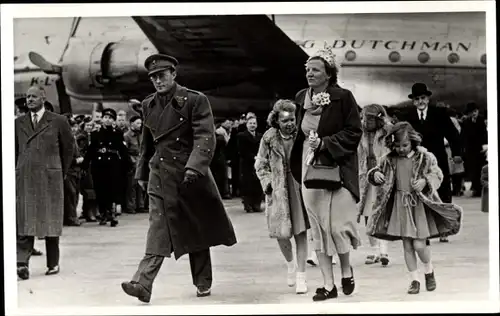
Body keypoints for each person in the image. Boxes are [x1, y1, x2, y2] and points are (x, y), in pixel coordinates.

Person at [121, 54, 237, 303]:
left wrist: (195, 167)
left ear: (174, 74)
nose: (158, 81)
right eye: (153, 77)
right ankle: (142, 283)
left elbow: (205, 136)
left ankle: (203, 281)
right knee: (158, 228)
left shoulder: (195, 100)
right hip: (159, 176)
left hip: (188, 176)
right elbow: (147, 144)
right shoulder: (148, 104)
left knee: (196, 229)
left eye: (162, 75)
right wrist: (142, 173)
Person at [289, 46, 362, 301]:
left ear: (328, 74)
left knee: (337, 227)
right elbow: (298, 133)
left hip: (338, 169)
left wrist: (325, 144)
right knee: (318, 228)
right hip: (309, 169)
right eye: (307, 70)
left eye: (315, 70)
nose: (309, 73)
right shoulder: (301, 97)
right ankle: (328, 285)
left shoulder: (343, 97)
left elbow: (354, 132)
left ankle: (345, 270)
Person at [366, 122, 462, 294]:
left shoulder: (424, 157)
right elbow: (375, 171)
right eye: (397, 146)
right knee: (408, 246)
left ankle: (428, 270)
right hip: (399, 205)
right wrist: (375, 175)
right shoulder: (388, 159)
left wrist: (426, 181)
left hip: (418, 205)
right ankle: (414, 280)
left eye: (405, 145)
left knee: (419, 245)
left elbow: (437, 174)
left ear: (412, 141)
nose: (401, 149)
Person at [15, 86, 74, 280]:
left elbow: (68, 149)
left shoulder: (58, 121)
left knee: (50, 221)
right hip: (26, 177)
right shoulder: (19, 123)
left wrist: (59, 171)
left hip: (50, 177)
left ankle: (53, 262)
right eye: (27, 97)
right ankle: (22, 262)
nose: (29, 100)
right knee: (24, 219)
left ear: (42, 98)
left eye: (33, 96)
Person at [255, 99, 310, 294]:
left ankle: (302, 277)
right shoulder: (269, 138)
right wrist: (267, 183)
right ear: (276, 120)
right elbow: (260, 164)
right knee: (281, 233)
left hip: (298, 187)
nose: (290, 123)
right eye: (285, 120)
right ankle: (290, 264)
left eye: (292, 119)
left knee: (301, 233)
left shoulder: (302, 135)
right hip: (277, 189)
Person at [397, 83, 462, 243]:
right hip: (416, 160)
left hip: (438, 159)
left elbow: (453, 135)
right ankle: (422, 229)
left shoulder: (439, 114)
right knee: (419, 192)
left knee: (444, 190)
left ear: (428, 98)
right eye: (417, 99)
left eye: (423, 98)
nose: (420, 101)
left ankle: (445, 227)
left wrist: (457, 154)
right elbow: (401, 138)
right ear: (413, 101)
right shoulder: (407, 116)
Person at [82, 108, 132, 227]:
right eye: (105, 117)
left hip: (113, 164)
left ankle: (111, 213)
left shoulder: (117, 134)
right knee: (100, 189)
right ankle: (103, 213)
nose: (107, 120)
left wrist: (127, 163)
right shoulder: (95, 134)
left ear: (113, 120)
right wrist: (85, 163)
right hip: (98, 164)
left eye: (110, 118)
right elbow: (91, 150)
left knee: (112, 189)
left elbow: (122, 150)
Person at [356, 104, 392, 266]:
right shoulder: (359, 133)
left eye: (369, 118)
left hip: (382, 175)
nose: (364, 121)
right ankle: (374, 249)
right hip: (364, 176)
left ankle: (383, 250)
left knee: (381, 212)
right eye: (363, 118)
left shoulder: (387, 133)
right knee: (366, 212)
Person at [237, 116, 264, 212]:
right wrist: (253, 157)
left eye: (254, 123)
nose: (252, 125)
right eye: (250, 123)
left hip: (259, 162)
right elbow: (242, 151)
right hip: (247, 163)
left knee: (258, 183)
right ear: (246, 125)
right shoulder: (241, 136)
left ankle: (257, 204)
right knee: (247, 184)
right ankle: (248, 205)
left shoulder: (260, 136)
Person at [461, 102, 488, 197]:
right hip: (470, 149)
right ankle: (475, 187)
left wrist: (485, 145)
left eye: (475, 111)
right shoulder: (466, 122)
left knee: (480, 169)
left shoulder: (481, 121)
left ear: (478, 111)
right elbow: (463, 136)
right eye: (472, 112)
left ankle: (479, 188)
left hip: (479, 149)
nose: (474, 113)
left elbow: (484, 134)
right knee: (472, 169)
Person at [124, 115, 146, 214]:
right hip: (132, 162)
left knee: (140, 185)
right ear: (131, 124)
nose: (140, 125)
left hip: (140, 161)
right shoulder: (127, 136)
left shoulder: (141, 135)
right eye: (137, 123)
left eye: (140, 123)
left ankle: (140, 205)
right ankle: (131, 206)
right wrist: (131, 162)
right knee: (131, 186)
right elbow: (126, 151)